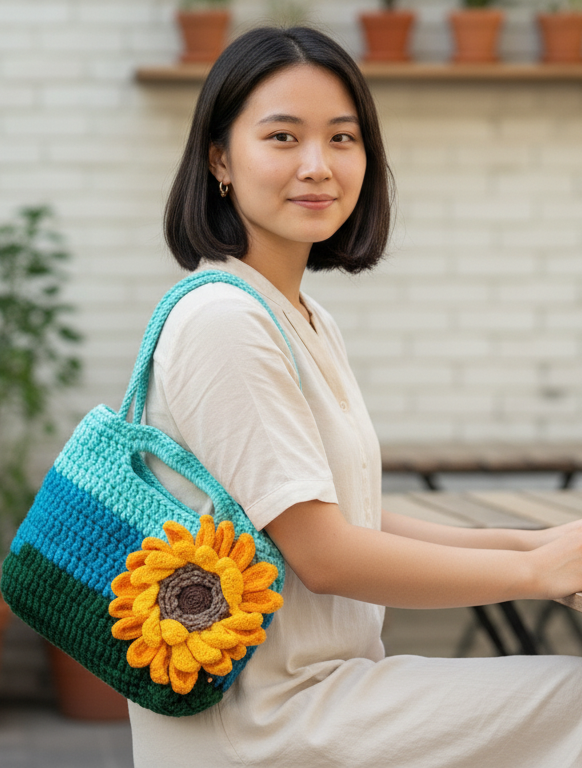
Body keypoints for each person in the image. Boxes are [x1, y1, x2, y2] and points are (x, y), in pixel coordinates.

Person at [129, 25, 582, 768]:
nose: (317, 166)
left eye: (342, 138)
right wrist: (533, 574)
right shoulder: (222, 319)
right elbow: (327, 556)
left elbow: (345, 511)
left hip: (325, 688)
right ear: (219, 158)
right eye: (282, 137)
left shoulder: (299, 315)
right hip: (264, 717)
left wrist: (530, 545)